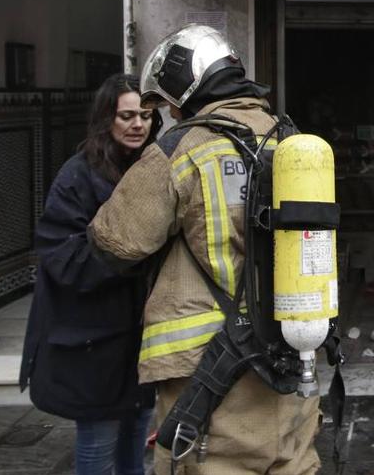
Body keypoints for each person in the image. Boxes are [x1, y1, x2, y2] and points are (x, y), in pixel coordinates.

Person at [88, 25, 322, 474]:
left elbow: (114, 244)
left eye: (169, 102)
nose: (170, 114)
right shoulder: (291, 140)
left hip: (209, 373)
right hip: (293, 355)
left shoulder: (180, 148)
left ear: (184, 86)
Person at [20, 73, 162, 475]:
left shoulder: (153, 171)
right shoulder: (77, 175)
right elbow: (62, 255)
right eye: (128, 116)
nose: (138, 124)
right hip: (92, 341)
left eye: (147, 116)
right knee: (99, 443)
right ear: (107, 119)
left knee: (136, 432)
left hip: (137, 336)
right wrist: (128, 255)